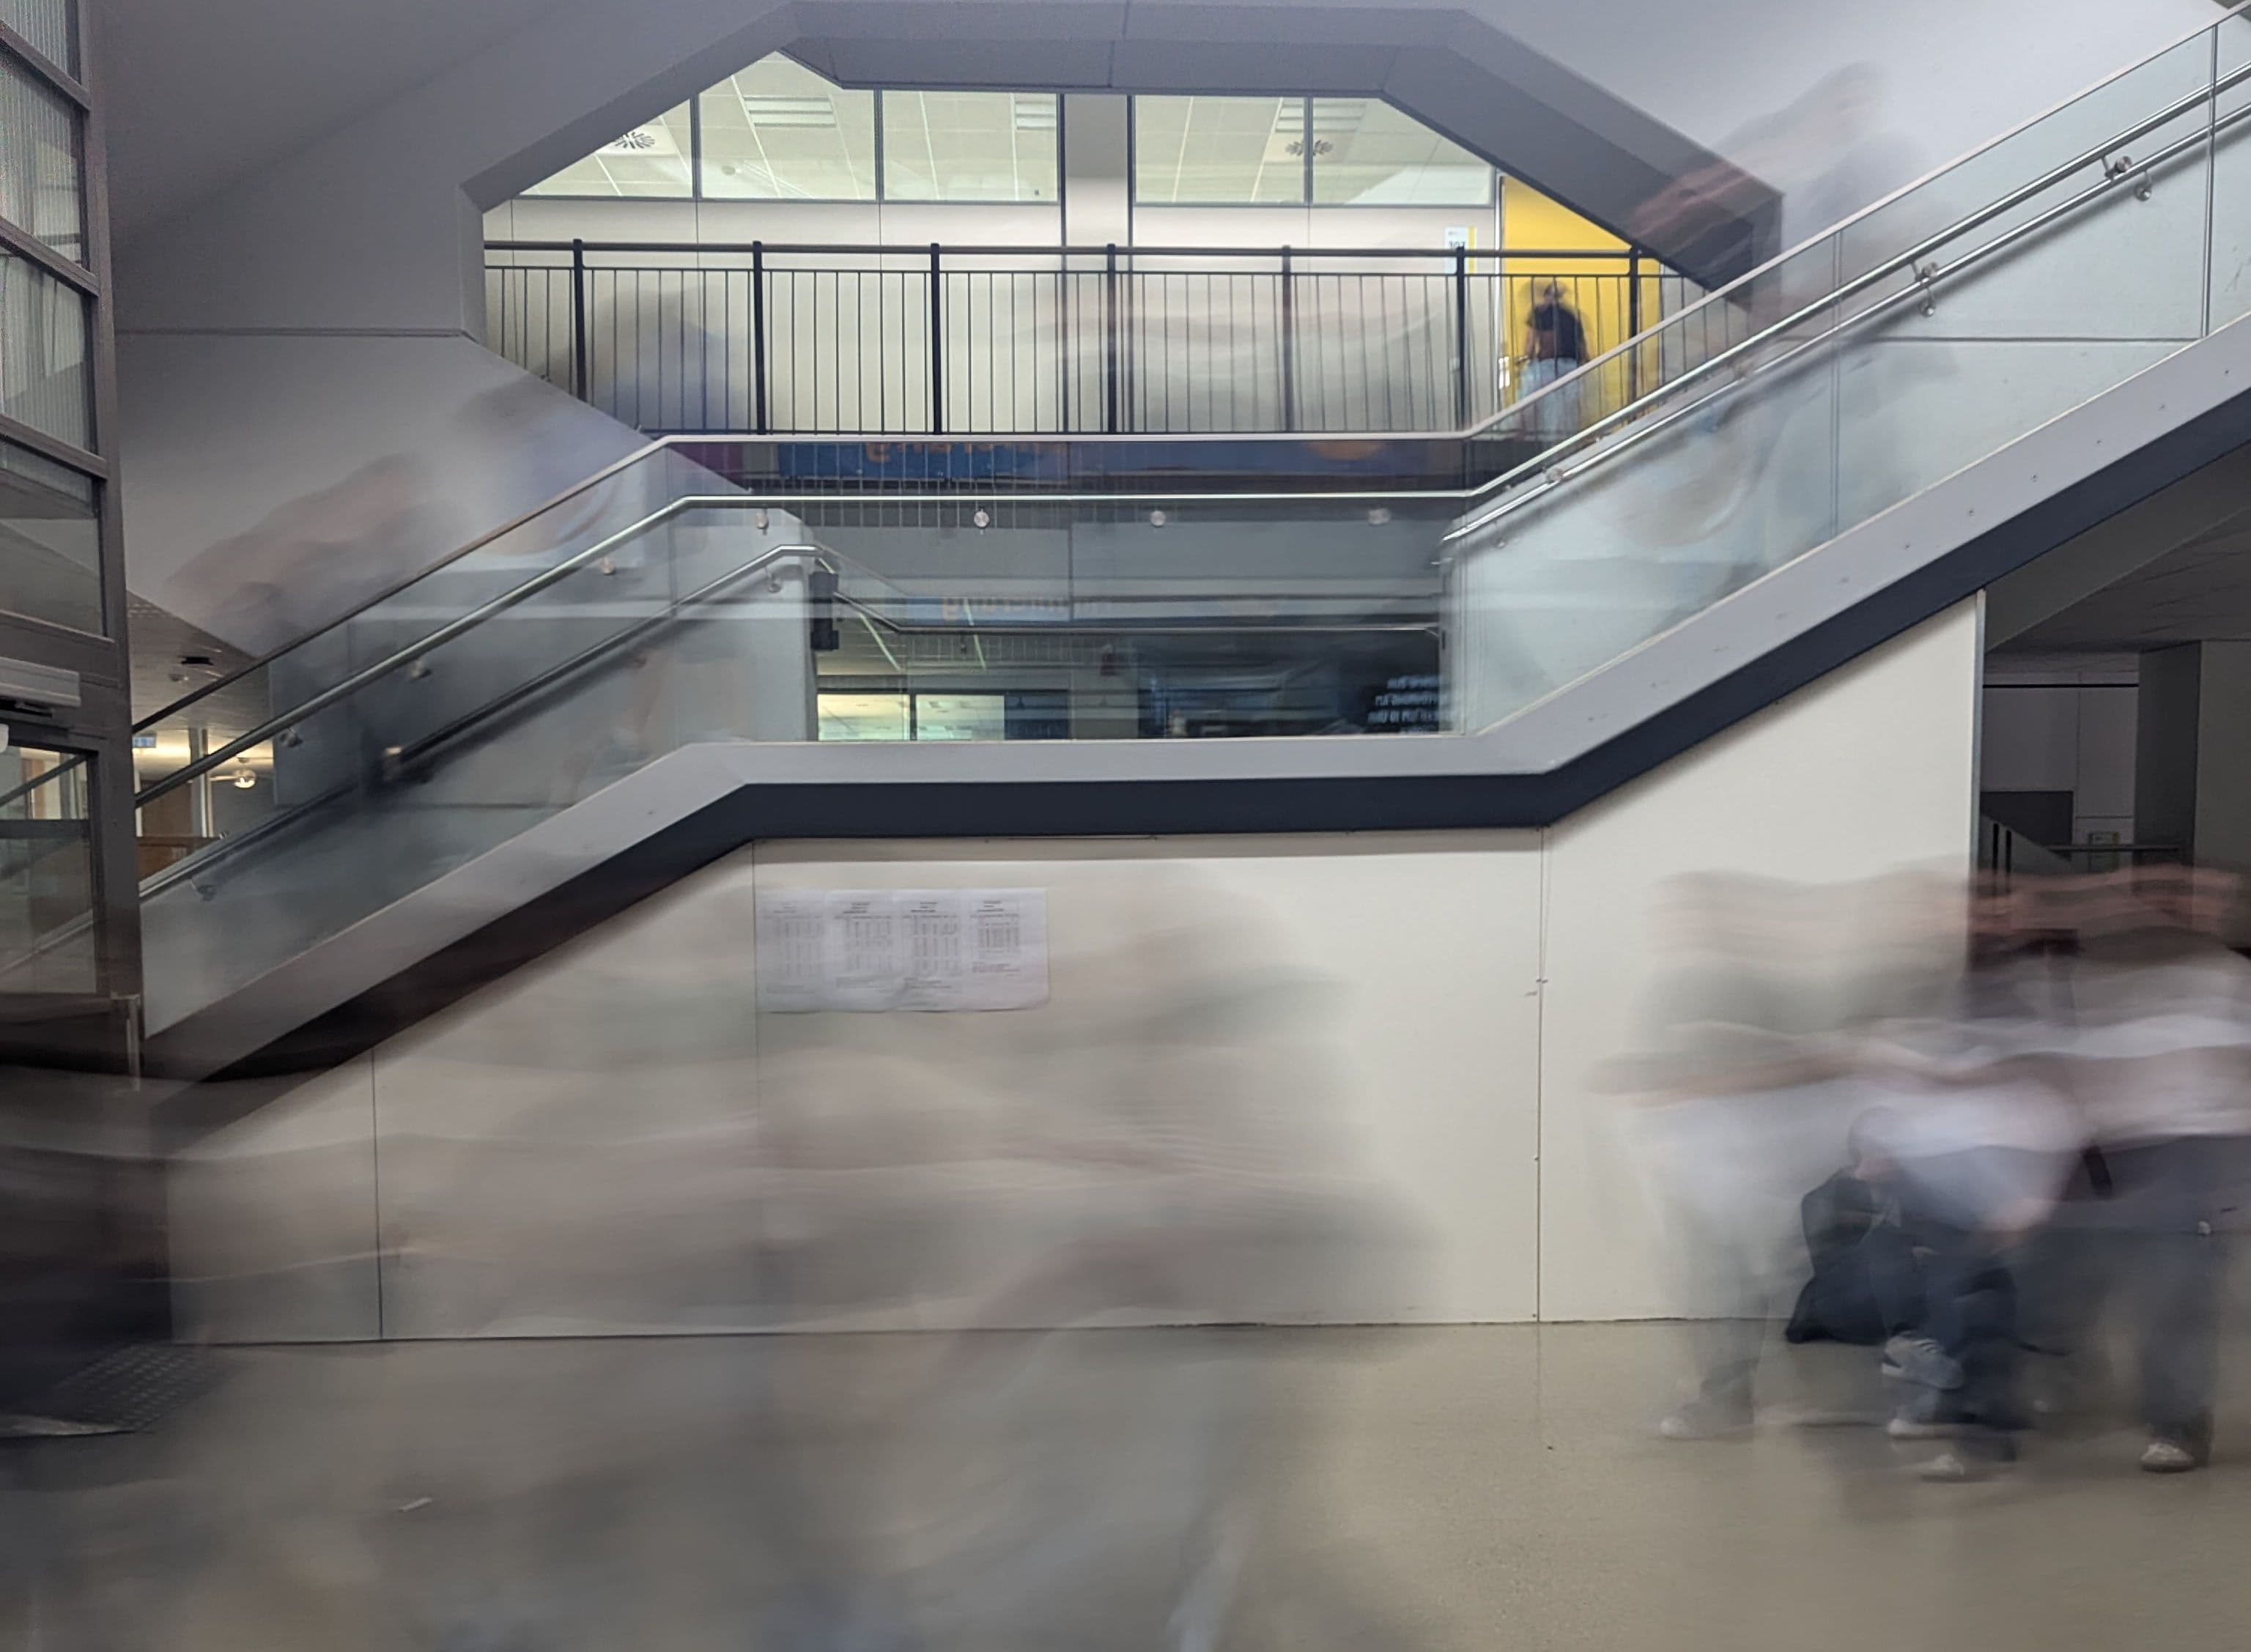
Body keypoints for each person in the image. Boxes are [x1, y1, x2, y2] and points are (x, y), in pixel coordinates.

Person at [1518, 281, 1586, 442]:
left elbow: (1529, 346)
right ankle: (1566, 452)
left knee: (1533, 408)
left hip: (1547, 367)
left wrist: (1525, 359)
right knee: (1565, 417)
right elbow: (1582, 346)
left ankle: (1527, 441)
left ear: (1545, 296)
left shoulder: (1539, 313)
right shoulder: (1571, 315)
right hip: (1572, 367)